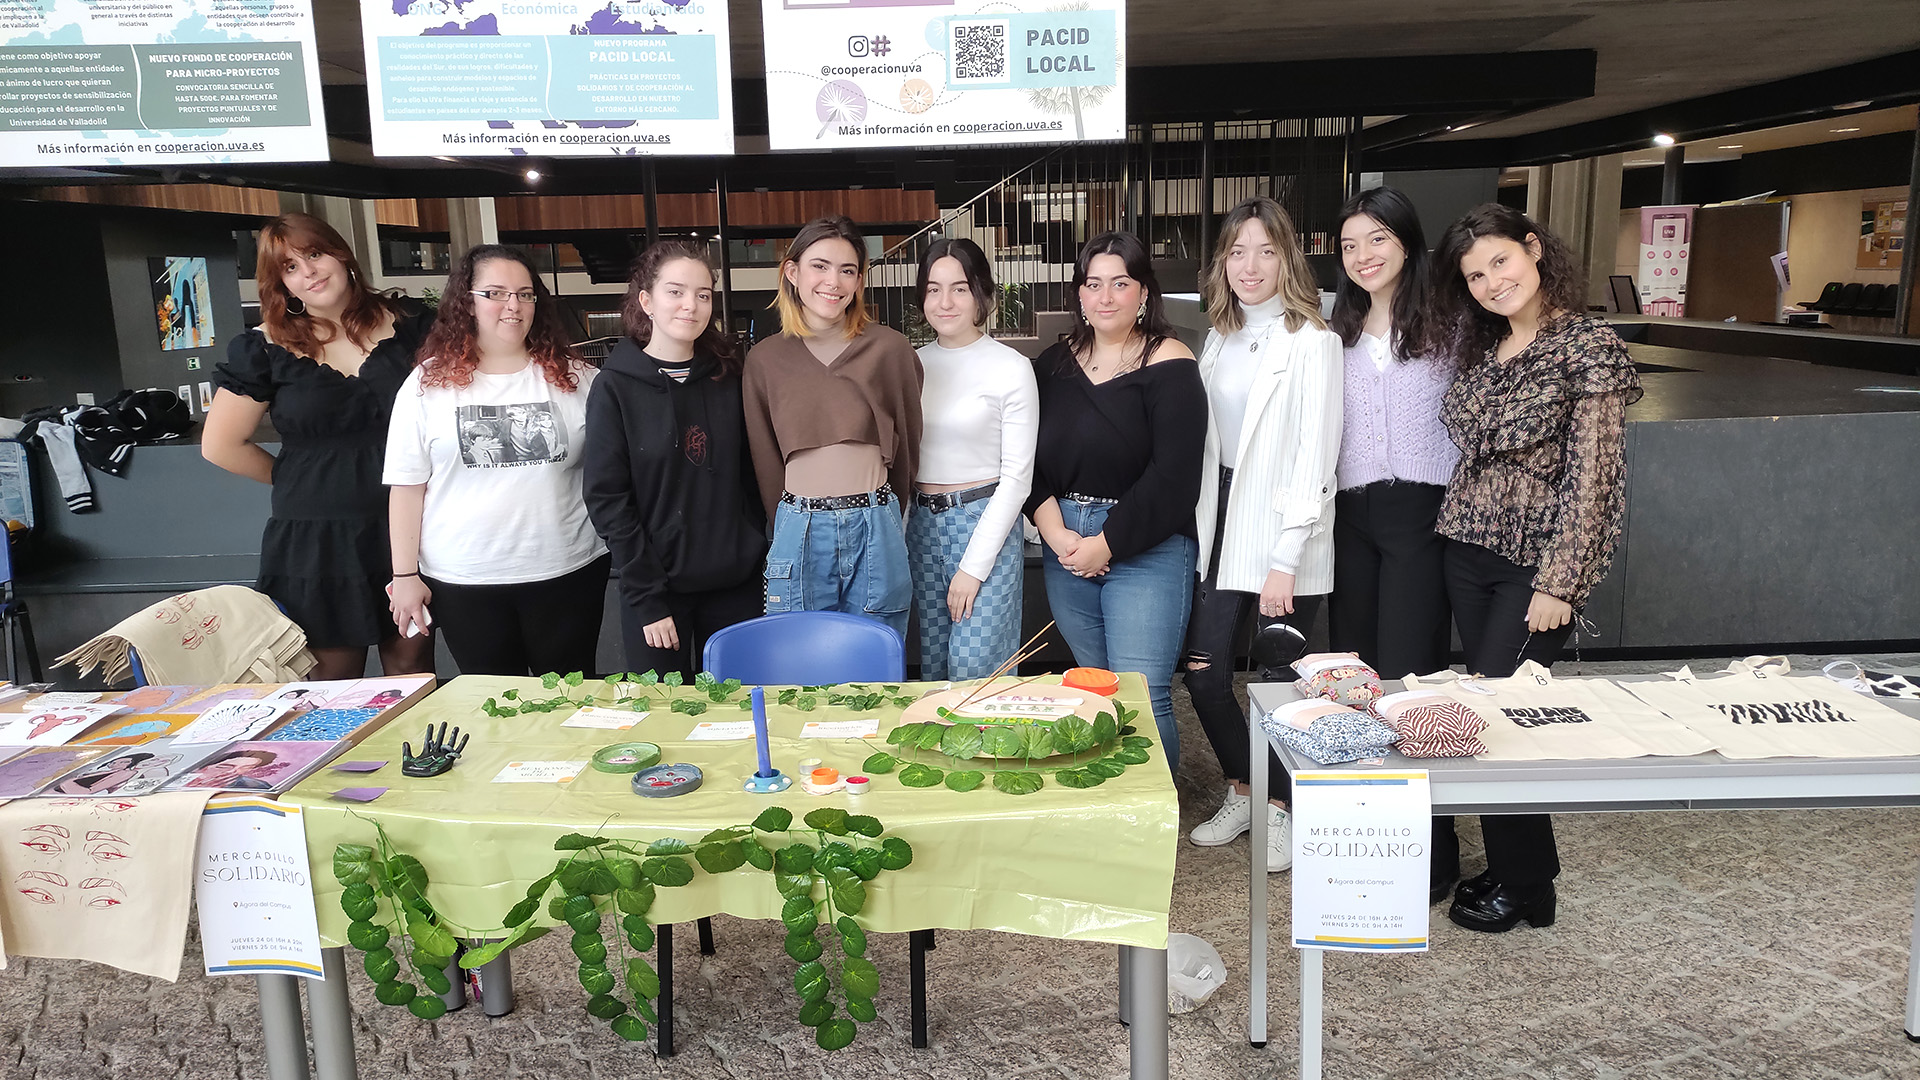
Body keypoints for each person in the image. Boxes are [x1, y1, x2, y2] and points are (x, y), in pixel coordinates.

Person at [1427, 203, 1642, 932]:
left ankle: (1529, 888)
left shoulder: (1587, 346)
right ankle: (1516, 867)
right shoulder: (1486, 351)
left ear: (1533, 249)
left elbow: (1596, 477)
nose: (1491, 282)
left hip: (1532, 566)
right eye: (1475, 275)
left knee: (1499, 721)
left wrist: (1560, 581)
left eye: (1500, 262)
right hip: (1467, 552)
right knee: (1492, 715)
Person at [1180, 198, 1343, 873]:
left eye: (1266, 251)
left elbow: (1316, 455)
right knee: (1205, 672)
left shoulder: (1315, 342)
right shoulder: (1217, 336)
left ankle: (1282, 808)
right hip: (1221, 518)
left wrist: (1285, 560)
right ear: (1222, 261)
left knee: (1278, 681)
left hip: (1285, 533)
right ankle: (1246, 787)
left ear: (1288, 258)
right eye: (1237, 251)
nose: (1250, 265)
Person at [203, 213, 435, 680]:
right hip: (317, 539)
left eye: (314, 255)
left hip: (409, 525)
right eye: (289, 267)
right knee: (331, 680)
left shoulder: (415, 328)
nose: (307, 272)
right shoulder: (264, 347)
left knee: (412, 667)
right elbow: (221, 445)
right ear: (281, 285)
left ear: (342, 255)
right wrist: (303, 478)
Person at [384, 244, 609, 677]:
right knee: (491, 703)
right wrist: (405, 576)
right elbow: (407, 488)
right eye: (495, 293)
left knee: (569, 699)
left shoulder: (577, 378)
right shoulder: (426, 384)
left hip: (568, 569)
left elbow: (611, 472)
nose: (513, 306)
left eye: (525, 294)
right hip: (466, 577)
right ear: (465, 301)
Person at [1325, 187, 1461, 902]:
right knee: (1356, 683)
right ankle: (1367, 844)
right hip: (1352, 516)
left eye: (1376, 239)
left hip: (1422, 511)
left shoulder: (1451, 323)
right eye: (1350, 246)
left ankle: (1434, 856)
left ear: (1406, 242)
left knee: (1412, 682)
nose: (1363, 256)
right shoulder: (1333, 331)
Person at [1026, 231, 1205, 769]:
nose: (1106, 297)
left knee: (1143, 697)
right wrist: (1057, 535)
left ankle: (1155, 822)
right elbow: (1025, 463)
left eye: (1120, 284)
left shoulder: (1170, 361)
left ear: (1143, 292)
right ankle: (1113, 813)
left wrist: (1107, 542)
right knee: (1095, 693)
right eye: (1093, 284)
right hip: (1066, 545)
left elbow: (1174, 477)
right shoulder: (1051, 366)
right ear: (1079, 295)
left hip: (1145, 544)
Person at [584, 241, 766, 679]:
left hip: (735, 586)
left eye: (703, 294)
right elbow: (608, 499)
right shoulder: (614, 388)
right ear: (646, 301)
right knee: (665, 717)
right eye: (676, 292)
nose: (691, 305)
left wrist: (756, 548)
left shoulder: (729, 379)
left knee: (737, 716)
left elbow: (750, 476)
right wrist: (647, 597)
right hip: (657, 592)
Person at [742, 216, 924, 640]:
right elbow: (764, 459)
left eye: (847, 270)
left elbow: (908, 445)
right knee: (797, 658)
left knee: (875, 656)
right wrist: (784, 525)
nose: (833, 281)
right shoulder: (765, 360)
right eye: (820, 266)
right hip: (798, 522)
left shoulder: (890, 349)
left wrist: (885, 515)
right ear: (792, 271)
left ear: (860, 280)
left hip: (875, 518)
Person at [909, 239, 1038, 679]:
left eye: (959, 289)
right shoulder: (910, 364)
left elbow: (1018, 479)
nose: (945, 302)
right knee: (933, 667)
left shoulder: (1011, 367)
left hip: (984, 520)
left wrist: (972, 567)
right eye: (933, 289)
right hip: (921, 526)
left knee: (975, 667)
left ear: (982, 293)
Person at [184, 749, 278, 790]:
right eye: (225, 766)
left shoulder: (255, 785)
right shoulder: (184, 775)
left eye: (246, 768)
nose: (232, 771)